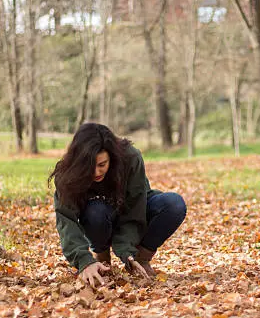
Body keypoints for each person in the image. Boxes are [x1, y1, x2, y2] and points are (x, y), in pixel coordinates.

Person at [49, 123, 187, 287]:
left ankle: (140, 260)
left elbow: (135, 208)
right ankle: (102, 257)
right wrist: (84, 261)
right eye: (89, 166)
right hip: (98, 216)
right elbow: (66, 220)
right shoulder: (68, 173)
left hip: (132, 208)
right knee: (96, 211)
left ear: (112, 157)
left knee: (174, 204)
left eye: (102, 165)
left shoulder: (131, 157)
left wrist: (127, 253)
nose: (96, 172)